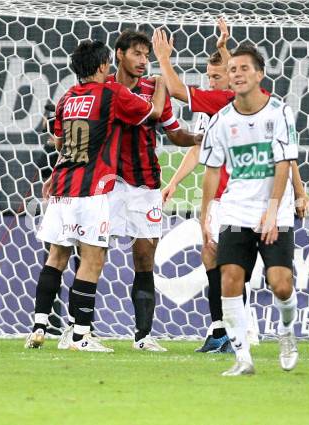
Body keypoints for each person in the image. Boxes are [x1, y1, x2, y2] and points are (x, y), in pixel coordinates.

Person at [153, 24, 309, 353]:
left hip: (254, 201)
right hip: (229, 200)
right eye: (211, 76)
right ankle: (225, 331)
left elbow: (285, 157)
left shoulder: (238, 104)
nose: (211, 82)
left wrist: (164, 60)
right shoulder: (223, 111)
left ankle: (241, 329)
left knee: (264, 278)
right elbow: (198, 150)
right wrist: (175, 182)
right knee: (219, 264)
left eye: (215, 75)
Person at [25, 39, 166, 352]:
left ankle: (39, 325)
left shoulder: (66, 98)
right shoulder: (112, 93)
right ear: (105, 65)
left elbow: (59, 143)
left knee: (56, 257)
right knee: (92, 260)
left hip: (61, 186)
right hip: (93, 189)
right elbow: (154, 111)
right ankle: (80, 335)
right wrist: (162, 83)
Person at [200, 43, 299, 376]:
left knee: (281, 284)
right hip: (236, 210)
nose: (237, 74)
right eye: (233, 70)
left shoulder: (279, 112)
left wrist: (273, 210)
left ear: (260, 74)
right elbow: (212, 170)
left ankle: (286, 332)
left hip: (276, 210)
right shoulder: (221, 121)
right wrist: (204, 217)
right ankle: (243, 358)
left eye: (244, 68)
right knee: (230, 278)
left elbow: (285, 162)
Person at [106, 30, 201, 352]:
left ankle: (143, 336)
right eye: (137, 54)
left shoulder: (153, 87)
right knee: (91, 252)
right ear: (119, 54)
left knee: (145, 257)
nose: (143, 61)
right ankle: (81, 330)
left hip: (146, 183)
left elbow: (175, 134)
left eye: (147, 55)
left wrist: (202, 138)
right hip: (107, 183)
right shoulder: (104, 87)